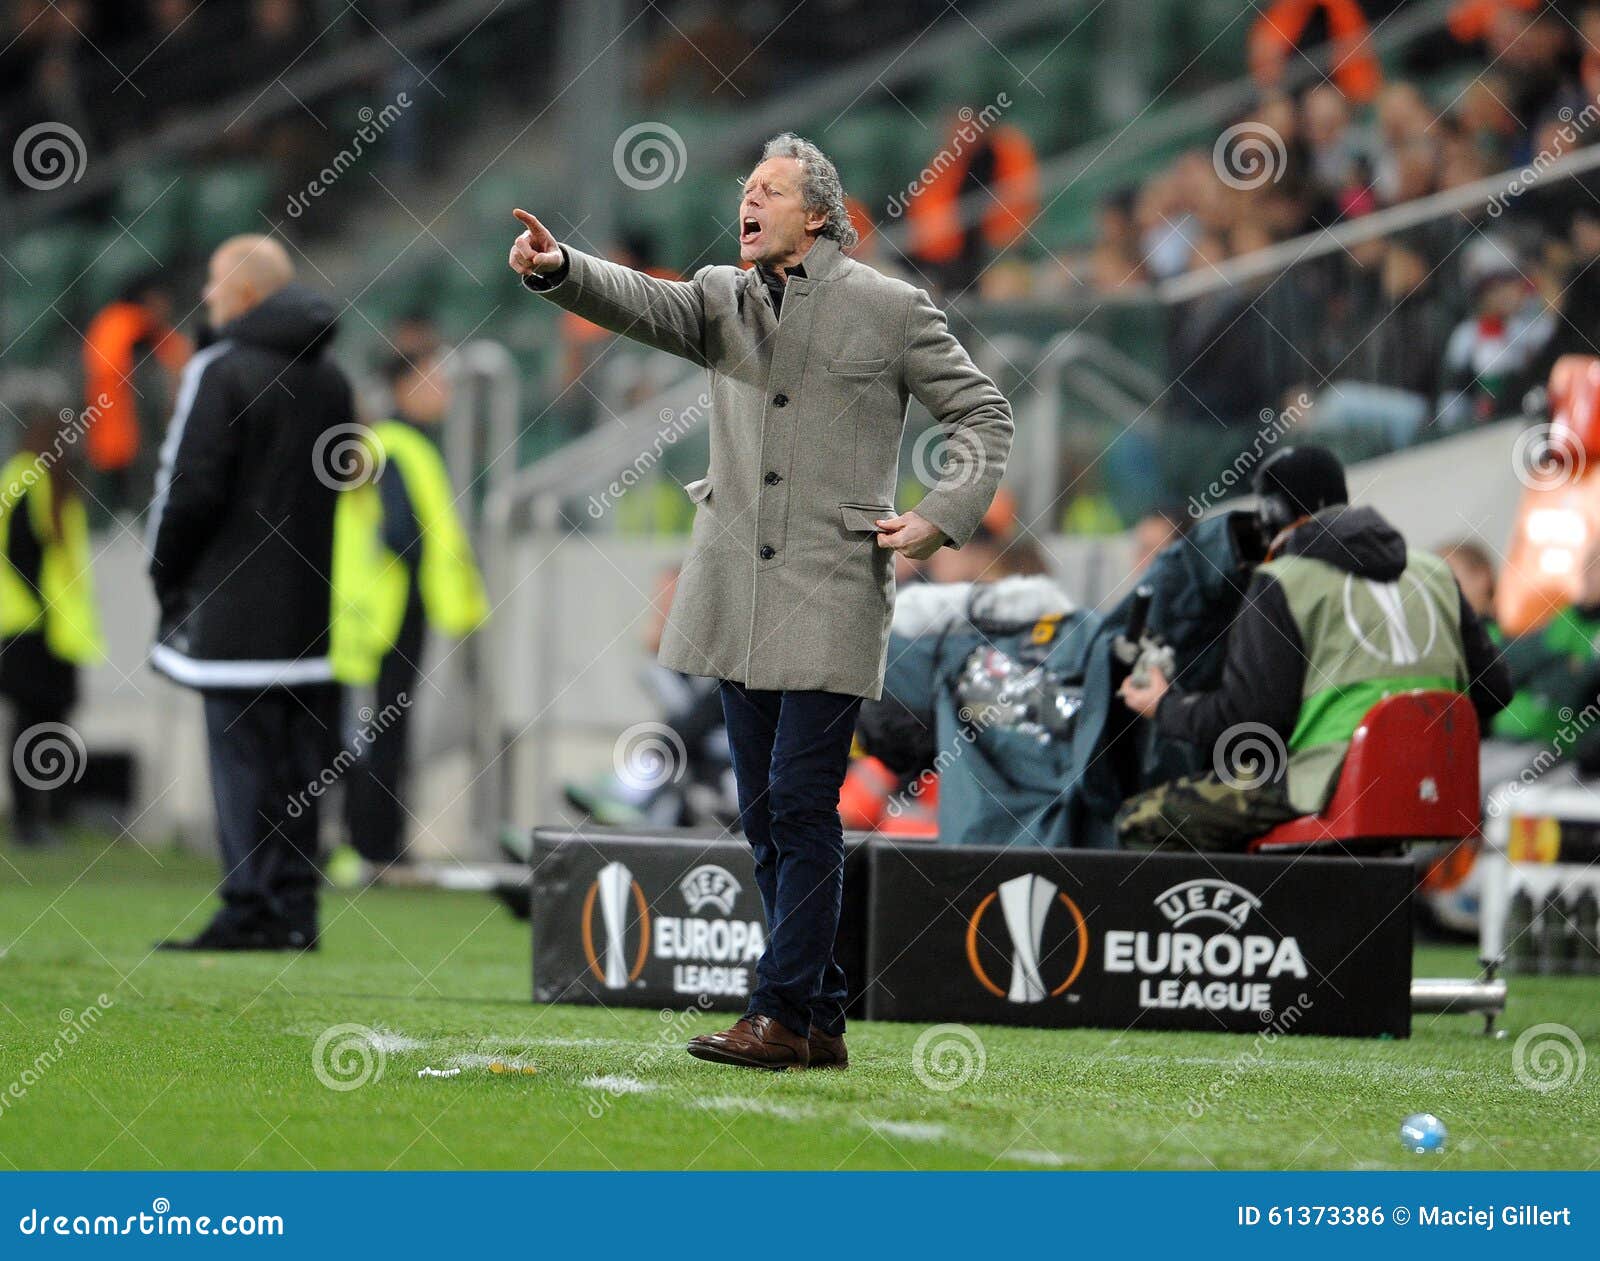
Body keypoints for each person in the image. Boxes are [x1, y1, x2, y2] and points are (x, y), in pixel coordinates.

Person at [510, 133, 1012, 1069]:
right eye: (745, 189)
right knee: (767, 815)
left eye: (768, 190)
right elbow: (640, 300)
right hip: (734, 590)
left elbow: (985, 414)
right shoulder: (719, 295)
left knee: (799, 805)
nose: (747, 202)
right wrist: (559, 268)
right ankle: (819, 1019)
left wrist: (940, 515)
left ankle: (778, 1012)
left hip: (830, 588)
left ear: (815, 212)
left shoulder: (892, 308)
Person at [1116, 445, 1510, 851]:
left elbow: (1252, 721)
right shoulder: (1435, 572)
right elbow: (1496, 691)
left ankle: (1242, 913)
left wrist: (1167, 708)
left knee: (1143, 819)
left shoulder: (1283, 580)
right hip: (1430, 785)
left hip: (1328, 784)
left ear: (1271, 514)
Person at [147, 235, 351, 951]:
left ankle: (247, 907)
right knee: (298, 769)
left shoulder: (221, 368)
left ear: (245, 292)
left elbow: (190, 487)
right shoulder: (333, 376)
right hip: (312, 609)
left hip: (233, 610)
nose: (205, 295)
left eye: (212, 280)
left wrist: (167, 575)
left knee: (240, 766)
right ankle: (295, 910)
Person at [329, 350, 488, 873]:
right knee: (383, 732)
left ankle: (375, 843)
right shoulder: (399, 445)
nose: (442, 388)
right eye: (432, 378)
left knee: (376, 729)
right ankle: (375, 846)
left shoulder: (391, 443)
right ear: (403, 386)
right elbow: (401, 532)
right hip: (391, 612)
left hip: (380, 612)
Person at [0, 407, 104, 847]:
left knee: (53, 724)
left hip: (58, 629)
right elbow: (21, 550)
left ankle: (53, 814)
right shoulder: (25, 477)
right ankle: (28, 820)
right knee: (30, 724)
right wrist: (42, 609)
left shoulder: (61, 487)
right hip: (26, 627)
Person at [81, 274, 192, 511]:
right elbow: (107, 368)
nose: (164, 308)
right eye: (158, 301)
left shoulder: (133, 326)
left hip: (130, 425)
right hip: (115, 419)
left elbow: (178, 353)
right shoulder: (122, 323)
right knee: (115, 482)